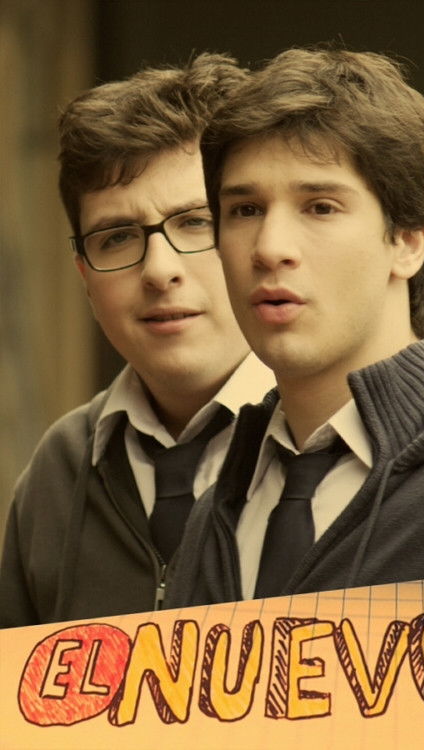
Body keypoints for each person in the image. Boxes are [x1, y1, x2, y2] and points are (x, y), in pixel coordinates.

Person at [164, 47, 424, 609]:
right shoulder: (216, 510)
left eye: (320, 206)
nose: (269, 247)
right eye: (245, 210)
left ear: (408, 241)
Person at [0, 53, 275, 627]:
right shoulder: (60, 467)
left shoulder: (338, 441)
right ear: (83, 274)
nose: (159, 270)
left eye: (195, 222)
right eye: (117, 237)